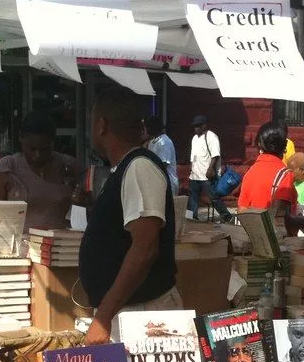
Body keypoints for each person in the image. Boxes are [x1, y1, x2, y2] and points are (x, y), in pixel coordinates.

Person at [80, 85, 180, 345]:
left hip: (143, 317)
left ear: (101, 125)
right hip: (129, 311)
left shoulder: (139, 167)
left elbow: (144, 250)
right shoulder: (125, 169)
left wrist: (103, 317)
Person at [0, 111, 82, 232]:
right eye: (32, 149)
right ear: (21, 139)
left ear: (53, 142)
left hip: (60, 246)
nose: (38, 155)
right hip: (18, 248)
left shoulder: (70, 167)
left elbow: (87, 212)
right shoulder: (6, 169)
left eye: (45, 149)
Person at [237, 122, 299, 234]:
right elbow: (279, 217)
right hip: (277, 243)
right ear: (284, 147)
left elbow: (242, 211)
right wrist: (303, 221)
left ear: (259, 145)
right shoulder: (285, 174)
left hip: (253, 238)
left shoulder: (250, 172)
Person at [187, 115, 233, 223]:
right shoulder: (194, 138)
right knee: (192, 199)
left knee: (214, 198)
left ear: (204, 126)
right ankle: (191, 219)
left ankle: (227, 217)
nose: (196, 128)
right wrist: (191, 168)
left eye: (198, 126)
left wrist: (210, 169)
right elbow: (193, 156)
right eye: (195, 126)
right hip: (195, 174)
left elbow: (215, 155)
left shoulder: (211, 137)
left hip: (207, 175)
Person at [143, 114, 178, 196]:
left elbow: (162, 164)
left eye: (147, 127)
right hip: (156, 182)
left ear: (153, 127)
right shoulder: (152, 142)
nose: (145, 130)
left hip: (167, 183)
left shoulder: (164, 142)